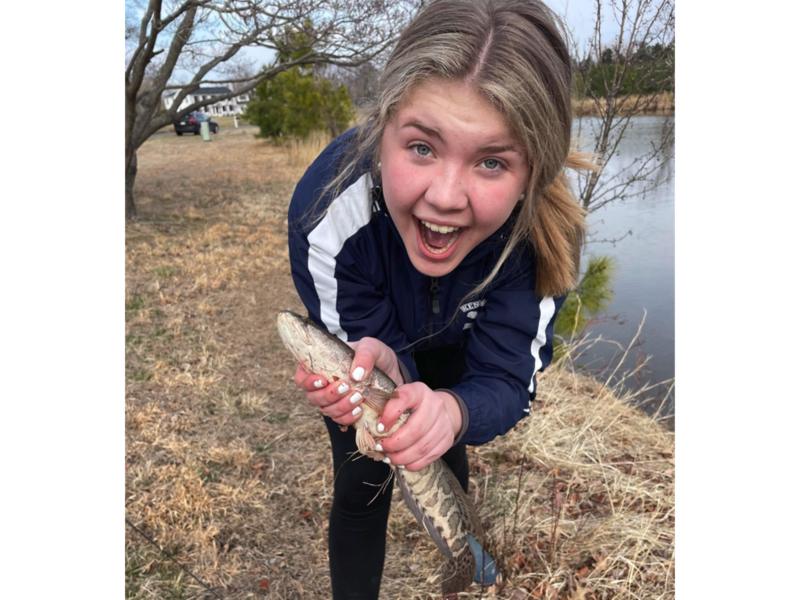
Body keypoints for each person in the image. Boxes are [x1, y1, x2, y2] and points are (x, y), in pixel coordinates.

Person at [286, 1, 591, 597]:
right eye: (422, 147)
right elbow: (358, 342)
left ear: (535, 170)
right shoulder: (326, 212)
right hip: (376, 341)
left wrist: (453, 411)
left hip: (460, 343)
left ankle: (471, 572)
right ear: (383, 127)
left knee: (449, 447)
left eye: (492, 161)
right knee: (359, 487)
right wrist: (390, 371)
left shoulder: (546, 225)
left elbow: (505, 378)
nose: (446, 198)